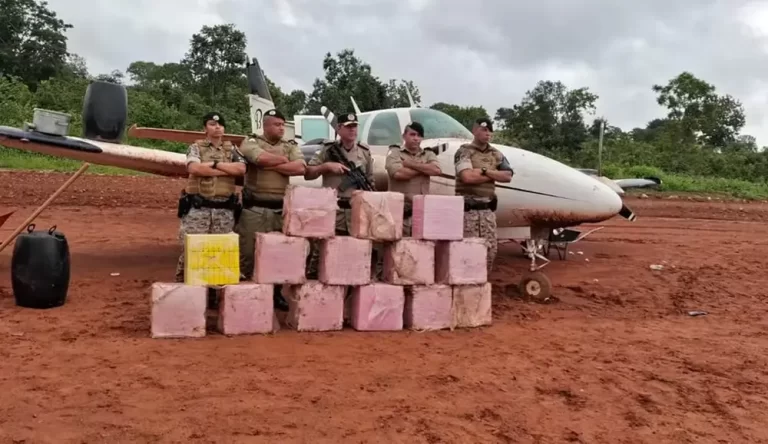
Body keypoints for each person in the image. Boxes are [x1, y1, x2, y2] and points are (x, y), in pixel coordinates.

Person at [235, 109, 306, 311]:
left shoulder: (289, 145)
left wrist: (271, 164)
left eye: (283, 125)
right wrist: (284, 161)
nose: (281, 128)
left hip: (279, 211)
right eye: (277, 124)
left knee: (277, 255)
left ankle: (275, 294)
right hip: (254, 210)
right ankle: (246, 295)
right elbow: (259, 159)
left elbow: (301, 168)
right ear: (265, 126)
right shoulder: (251, 141)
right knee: (248, 253)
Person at [303, 112, 378, 278]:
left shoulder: (364, 152)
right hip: (332, 210)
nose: (352, 130)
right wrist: (326, 167)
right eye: (348, 127)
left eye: (355, 126)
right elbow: (308, 173)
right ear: (338, 128)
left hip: (355, 212)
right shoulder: (327, 150)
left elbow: (370, 181)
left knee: (353, 254)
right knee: (322, 251)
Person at [175, 112, 246, 283]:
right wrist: (225, 170)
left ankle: (215, 290)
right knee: (192, 248)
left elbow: (241, 169)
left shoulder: (232, 149)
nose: (217, 127)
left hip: (224, 210)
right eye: (212, 124)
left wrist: (214, 164)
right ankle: (185, 284)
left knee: (220, 251)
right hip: (199, 209)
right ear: (205, 128)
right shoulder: (196, 148)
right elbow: (195, 168)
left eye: (220, 124)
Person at [453, 117, 513, 273]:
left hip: (487, 213)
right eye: (484, 130)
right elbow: (467, 177)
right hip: (468, 213)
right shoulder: (464, 152)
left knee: (489, 252)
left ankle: (482, 284)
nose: (488, 134)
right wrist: (494, 175)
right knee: (467, 253)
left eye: (490, 131)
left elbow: (507, 176)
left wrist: (484, 171)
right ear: (474, 130)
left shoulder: (496, 154)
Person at [385, 121, 442, 236]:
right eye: (412, 134)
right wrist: (424, 168)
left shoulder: (428, 154)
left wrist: (410, 164)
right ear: (404, 136)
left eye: (419, 135)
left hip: (421, 211)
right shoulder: (395, 153)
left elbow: (436, 170)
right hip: (400, 212)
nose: (416, 138)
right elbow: (399, 174)